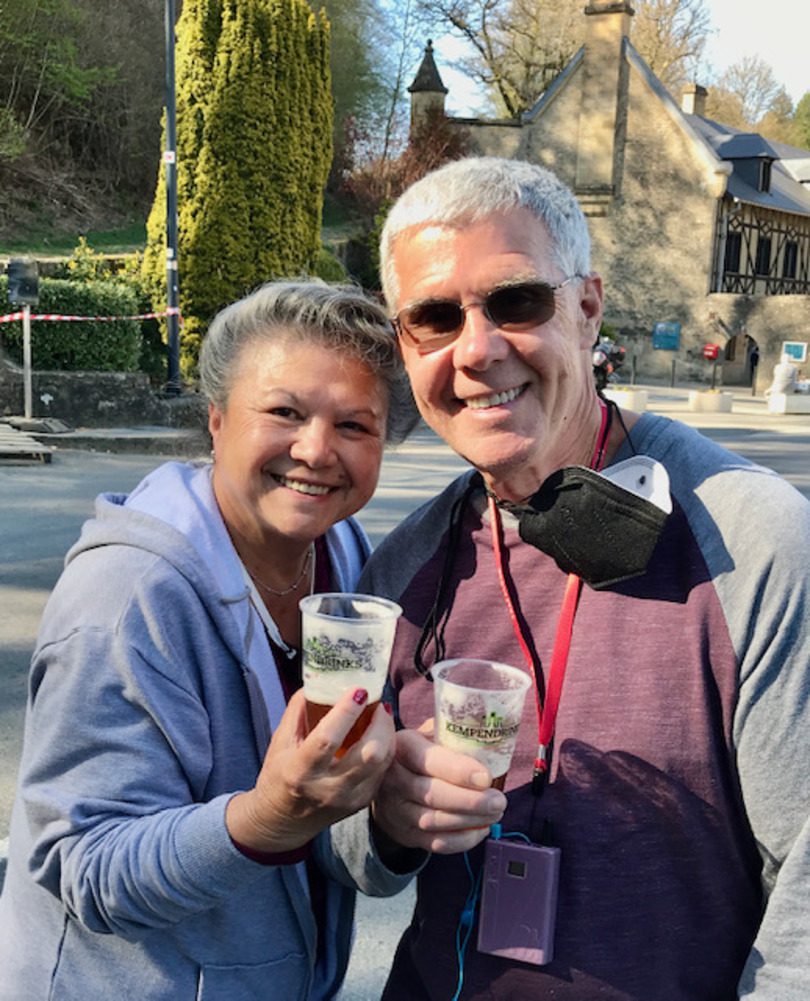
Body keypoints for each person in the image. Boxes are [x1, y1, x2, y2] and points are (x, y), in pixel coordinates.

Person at [364, 157, 810, 1000]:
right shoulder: (403, 570)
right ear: (405, 347)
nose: (478, 350)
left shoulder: (755, 538)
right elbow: (357, 858)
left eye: (517, 301)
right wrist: (388, 817)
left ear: (587, 309)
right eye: (433, 318)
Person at [0, 280, 426, 1000]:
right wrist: (263, 818)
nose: (317, 450)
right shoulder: (128, 595)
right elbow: (83, 866)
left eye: (356, 425)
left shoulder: (345, 556)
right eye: (284, 411)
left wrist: (394, 823)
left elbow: (330, 832)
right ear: (218, 419)